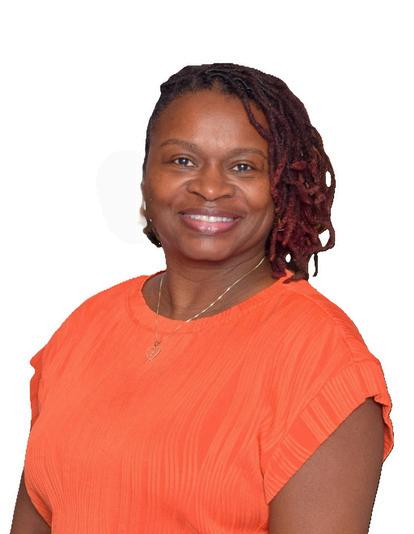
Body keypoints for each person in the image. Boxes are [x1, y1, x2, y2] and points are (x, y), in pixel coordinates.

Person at [11, 63, 394, 533]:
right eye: (182, 161)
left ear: (282, 188)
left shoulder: (322, 360)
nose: (210, 187)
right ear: (146, 179)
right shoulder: (85, 328)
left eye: (243, 167)